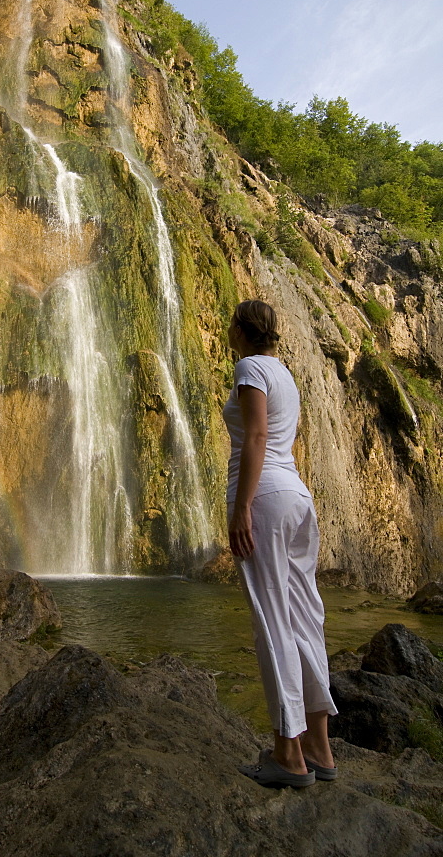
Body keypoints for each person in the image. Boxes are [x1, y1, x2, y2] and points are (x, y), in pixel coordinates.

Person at [223, 299, 338, 789]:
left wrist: (241, 506)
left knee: (272, 623)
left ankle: (287, 756)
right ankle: (320, 747)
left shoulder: (249, 367)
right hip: (296, 497)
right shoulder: (285, 374)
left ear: (240, 331)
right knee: (304, 620)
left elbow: (255, 437)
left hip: (264, 499)